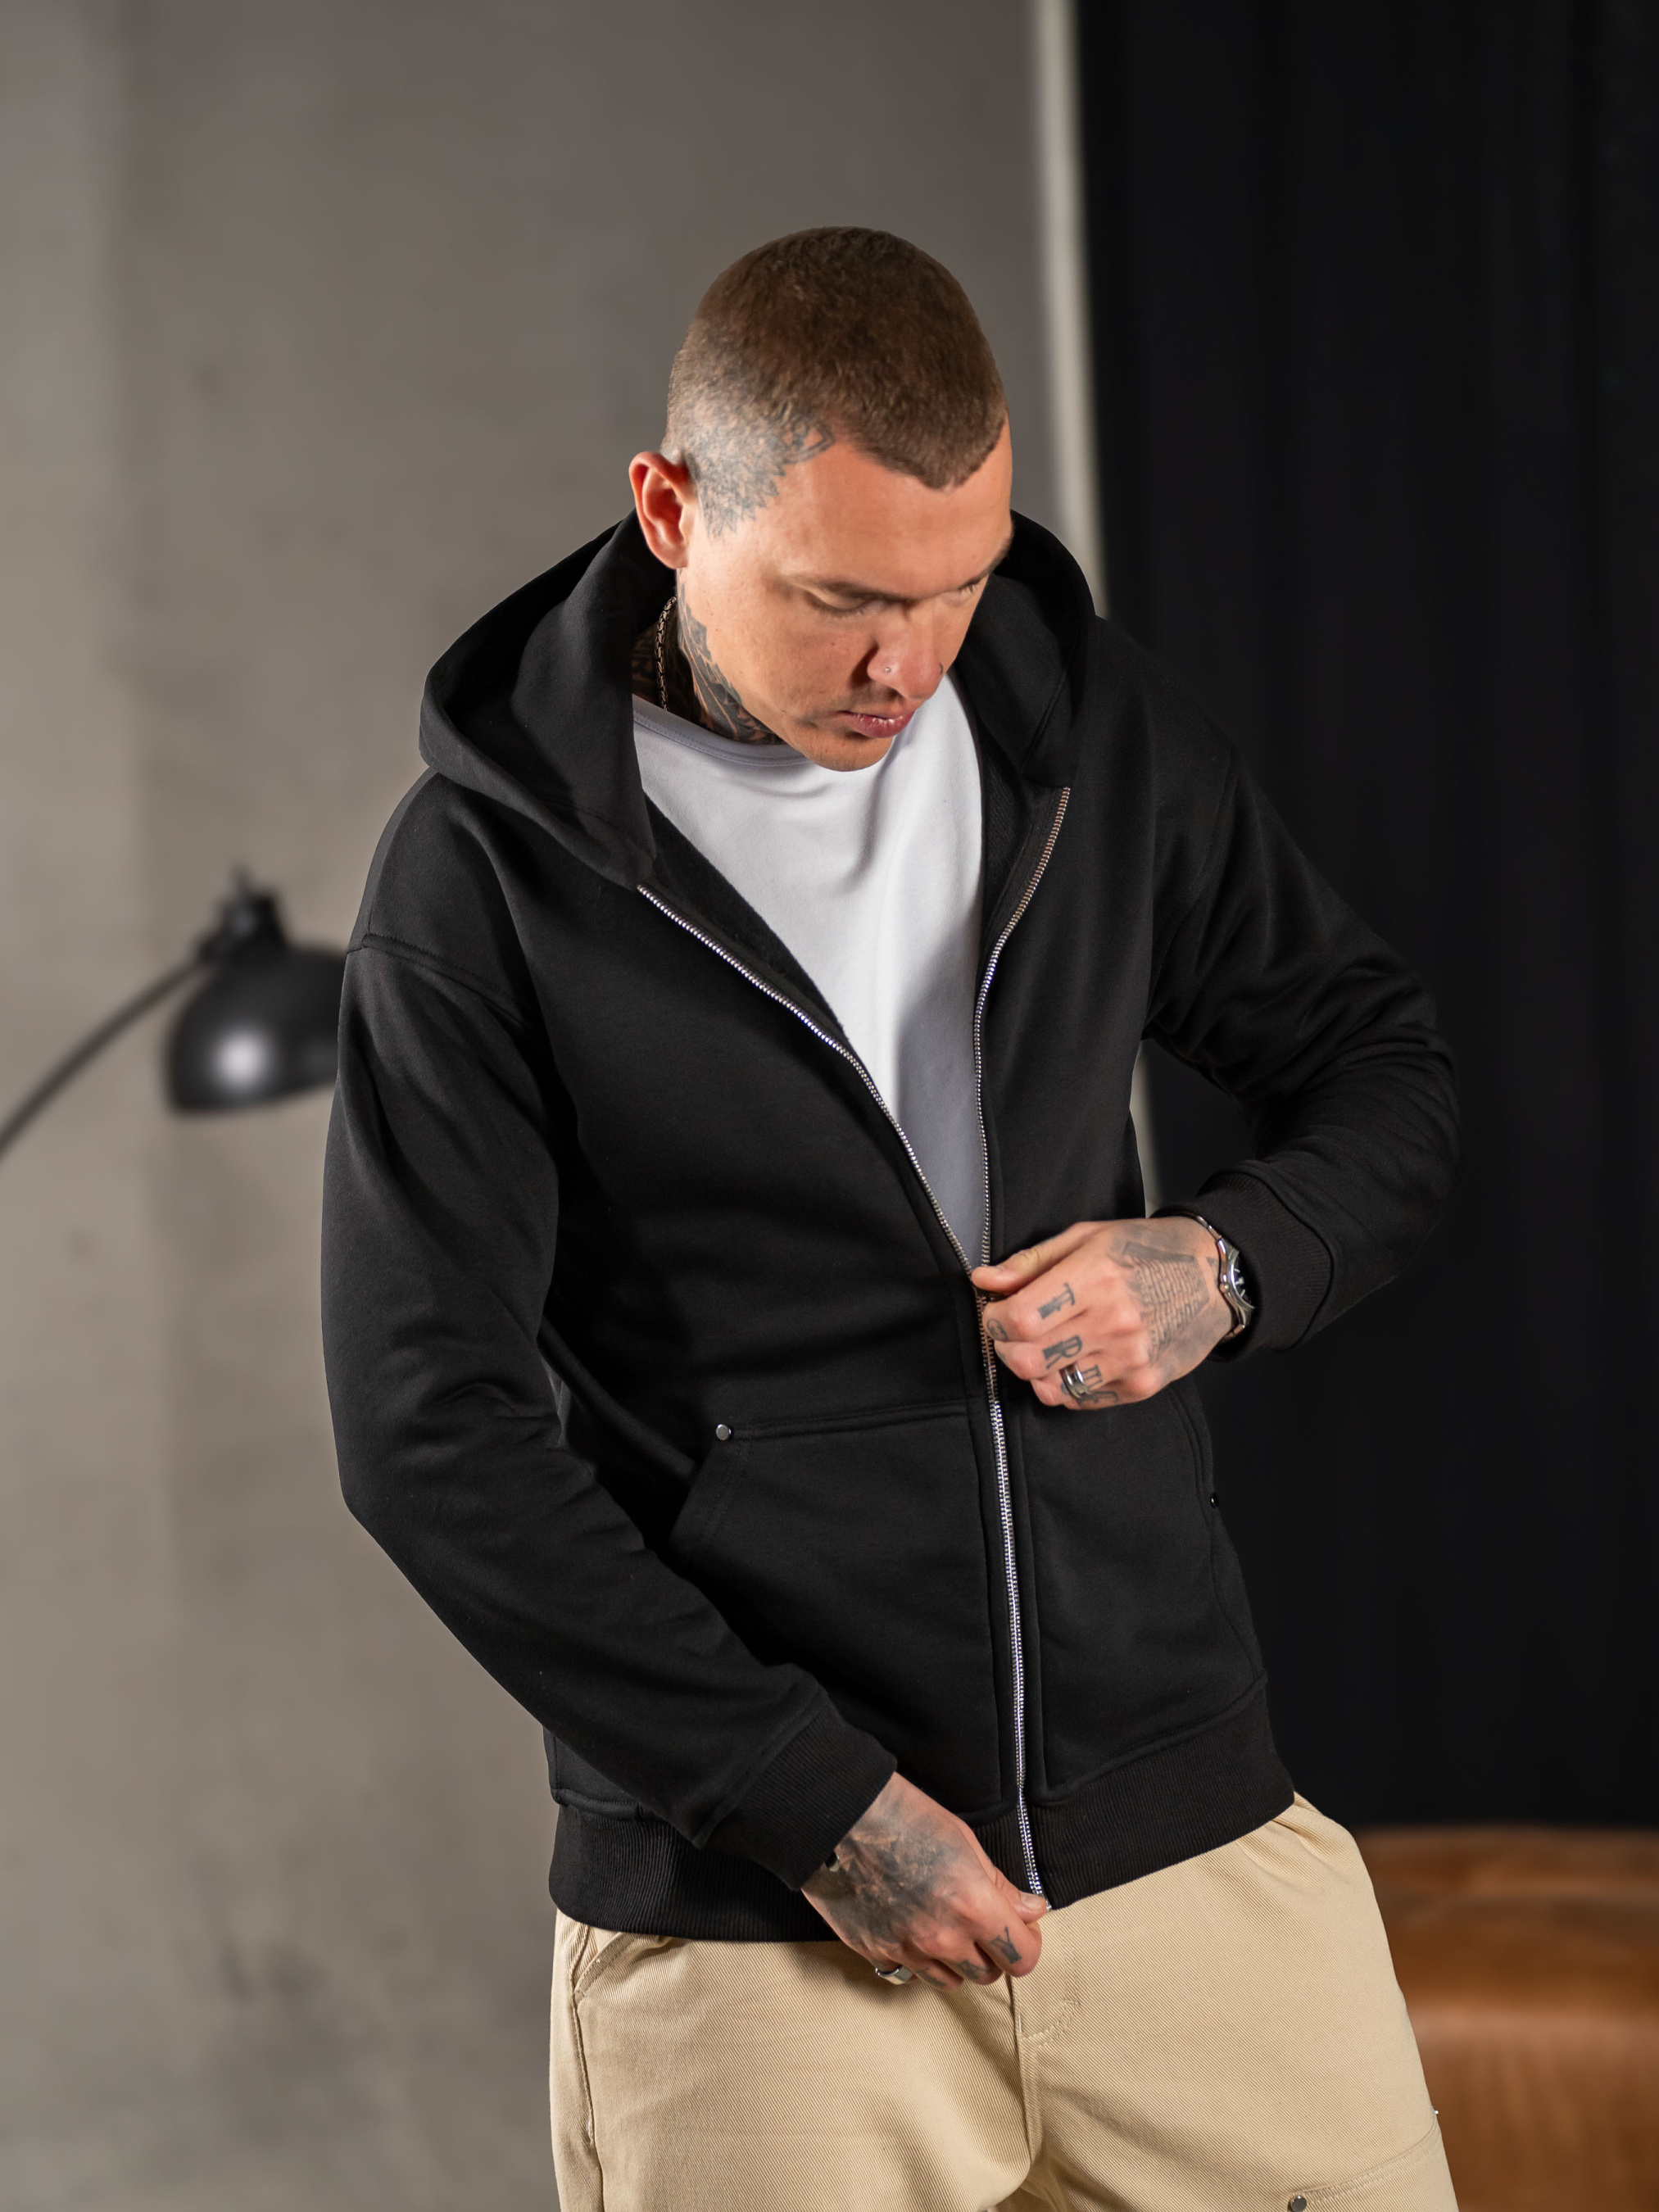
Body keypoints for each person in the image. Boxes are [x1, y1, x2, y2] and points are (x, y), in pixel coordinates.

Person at [322, 229, 1461, 2211]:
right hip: (761, 1923)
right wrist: (812, 1805)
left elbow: (1383, 1071)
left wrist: (1224, 1265)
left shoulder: (1089, 738)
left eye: (953, 589)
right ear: (670, 513)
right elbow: (430, 1432)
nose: (902, 666)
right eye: (841, 598)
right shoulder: (482, 883)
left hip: (1184, 1842)